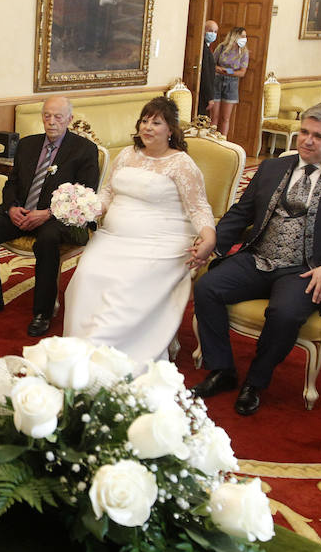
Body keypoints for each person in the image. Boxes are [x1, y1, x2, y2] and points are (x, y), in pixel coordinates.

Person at [191, 102, 321, 416]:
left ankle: (256, 381)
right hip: (259, 257)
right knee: (208, 287)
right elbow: (241, 213)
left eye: (318, 136)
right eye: (304, 132)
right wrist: (214, 244)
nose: (307, 140)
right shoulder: (272, 167)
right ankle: (222, 369)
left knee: (285, 313)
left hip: (306, 269)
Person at [63, 97, 215, 361]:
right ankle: (79, 350)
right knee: (86, 275)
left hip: (159, 241)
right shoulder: (127, 155)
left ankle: (109, 355)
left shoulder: (181, 164)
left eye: (156, 122)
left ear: (171, 130)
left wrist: (209, 237)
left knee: (125, 285)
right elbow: (109, 191)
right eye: (144, 120)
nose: (147, 127)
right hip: (113, 239)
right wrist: (88, 207)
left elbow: (199, 207)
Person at [0, 96, 101, 337]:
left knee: (47, 240)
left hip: (59, 219)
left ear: (69, 118)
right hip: (23, 212)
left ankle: (42, 313)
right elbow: (12, 183)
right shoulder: (27, 145)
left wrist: (47, 213)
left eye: (58, 117)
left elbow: (84, 194)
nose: (51, 122)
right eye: (47, 116)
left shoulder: (83, 150)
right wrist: (12, 208)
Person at [211, 27, 248, 138]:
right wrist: (218, 69)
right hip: (217, 81)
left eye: (245, 37)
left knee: (225, 118)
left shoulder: (244, 52)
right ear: (234, 36)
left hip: (232, 84)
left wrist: (228, 71)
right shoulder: (222, 47)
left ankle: (223, 140)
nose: (244, 39)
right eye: (242, 36)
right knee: (214, 116)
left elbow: (242, 72)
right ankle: (211, 139)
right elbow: (212, 63)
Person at [198, 19, 218, 119]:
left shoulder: (207, 48)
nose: (212, 34)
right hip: (202, 91)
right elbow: (205, 73)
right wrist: (209, 97)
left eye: (215, 32)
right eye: (210, 30)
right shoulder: (203, 49)